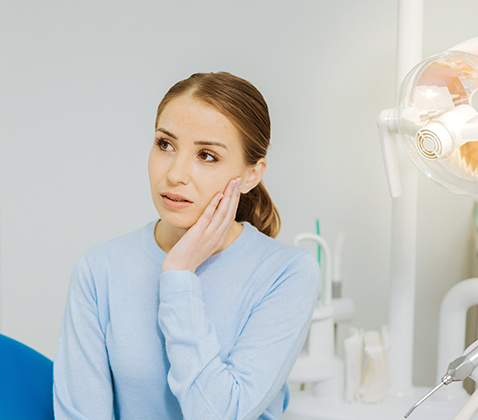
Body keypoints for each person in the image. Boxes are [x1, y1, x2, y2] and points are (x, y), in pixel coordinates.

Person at [53, 72, 320, 420]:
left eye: (206, 155)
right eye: (165, 144)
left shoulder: (287, 274)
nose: (176, 174)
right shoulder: (99, 269)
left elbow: (220, 414)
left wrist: (179, 275)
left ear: (252, 174)